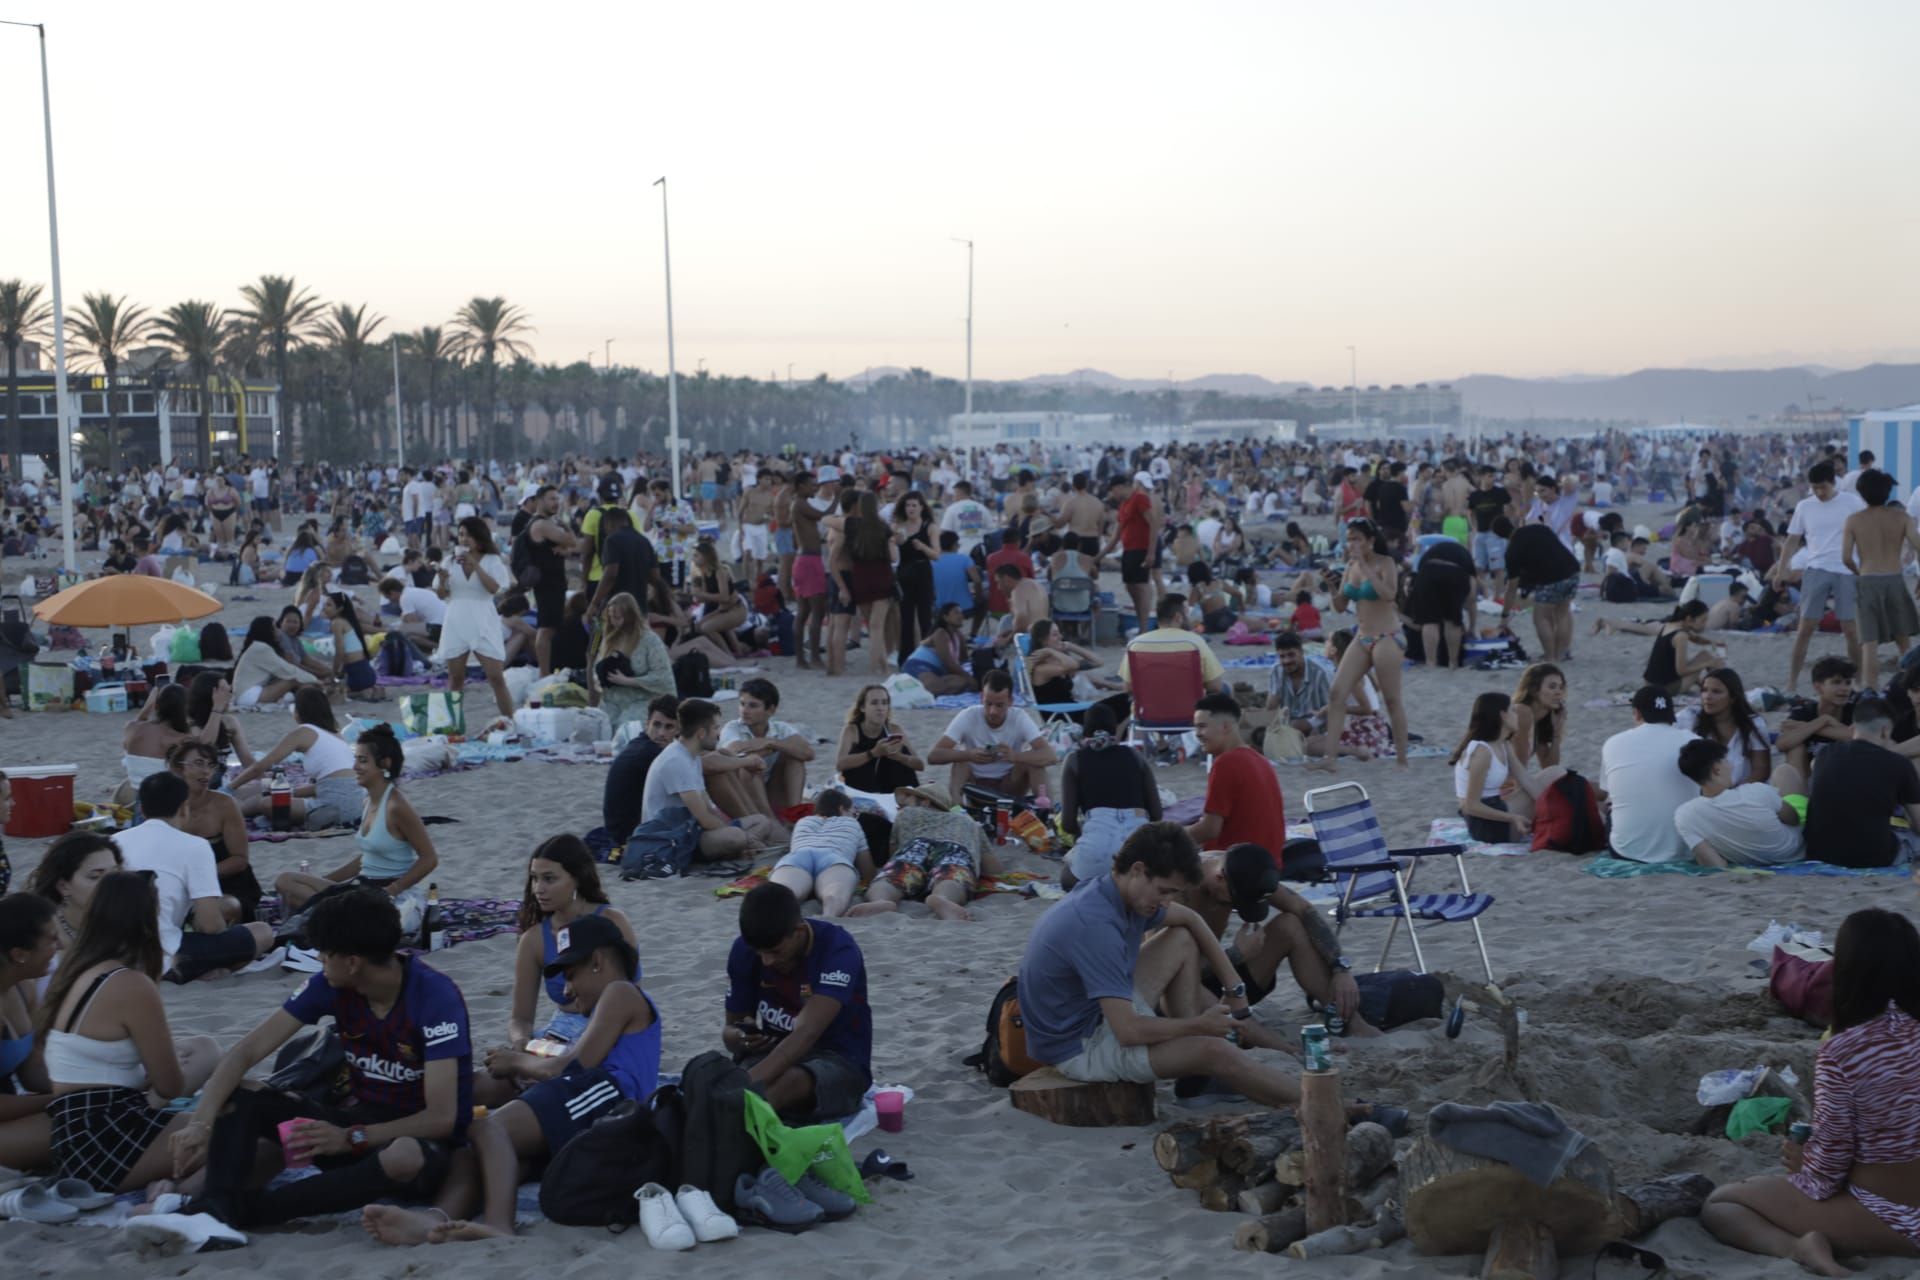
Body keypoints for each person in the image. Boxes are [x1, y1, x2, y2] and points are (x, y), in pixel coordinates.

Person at [173, 888, 472, 1228]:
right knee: (245, 1095)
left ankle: (249, 1212)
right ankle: (217, 1207)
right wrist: (200, 1123)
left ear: (353, 962)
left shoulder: (435, 999)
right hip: (357, 1125)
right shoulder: (330, 985)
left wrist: (353, 1137)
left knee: (404, 1154)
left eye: (324, 954)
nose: (318, 961)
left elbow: (442, 1118)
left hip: (419, 1144)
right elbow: (245, 1052)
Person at [363, 912, 664, 1247]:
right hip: (590, 1096)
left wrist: (517, 1062)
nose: (566, 990)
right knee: (477, 1147)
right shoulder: (610, 1002)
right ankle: (434, 1221)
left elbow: (569, 1068)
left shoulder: (621, 992)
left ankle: (499, 1224)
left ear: (597, 961)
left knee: (486, 1126)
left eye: (571, 975)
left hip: (609, 1098)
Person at [1015, 822, 1302, 1103]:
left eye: (1174, 893)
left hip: (1093, 1015)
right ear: (1138, 870)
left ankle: (1192, 1069)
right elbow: (1128, 1032)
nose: (1166, 902)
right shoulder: (1095, 926)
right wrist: (1197, 1026)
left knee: (1181, 938)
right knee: (1217, 1052)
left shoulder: (1113, 889)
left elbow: (1190, 918)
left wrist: (1234, 986)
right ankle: (1324, 1106)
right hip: (1077, 1049)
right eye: (1164, 891)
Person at [1702, 908, 1920, 1275]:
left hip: (1894, 1213)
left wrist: (1806, 1163)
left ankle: (1799, 1249)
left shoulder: (1844, 1050)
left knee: (1723, 1205)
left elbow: (1829, 1169)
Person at [39, 872, 220, 1191]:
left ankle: (165, 1183)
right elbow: (171, 1085)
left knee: (202, 1048)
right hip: (107, 1138)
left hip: (72, 1136)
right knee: (243, 1136)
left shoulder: (77, 972)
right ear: (147, 920)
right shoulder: (130, 984)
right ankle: (171, 1195)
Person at [470, 834, 638, 1110]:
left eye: (550, 879)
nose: (538, 889)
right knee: (484, 1085)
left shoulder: (611, 923)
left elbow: (632, 994)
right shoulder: (535, 939)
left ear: (577, 878)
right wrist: (521, 1042)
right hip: (556, 1035)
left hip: (609, 1030)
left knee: (546, 1089)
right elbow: (520, 1018)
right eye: (534, 879)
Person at [1186, 843, 1379, 1036]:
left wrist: (1340, 967)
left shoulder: (1240, 867)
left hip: (1230, 981)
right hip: (1189, 991)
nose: (1232, 907)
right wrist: (1236, 955)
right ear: (1219, 878)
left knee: (1291, 925)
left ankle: (1349, 1020)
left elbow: (1304, 910)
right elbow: (1173, 970)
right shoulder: (1179, 889)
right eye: (1236, 902)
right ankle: (1254, 1033)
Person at [724, 882, 872, 1121]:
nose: (766, 962)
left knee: (788, 1082)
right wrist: (742, 1038)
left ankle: (739, 1126)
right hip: (771, 1052)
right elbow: (731, 1032)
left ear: (799, 932)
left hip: (838, 1060)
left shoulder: (838, 950)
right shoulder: (744, 951)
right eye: (759, 952)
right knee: (721, 1074)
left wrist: (745, 1084)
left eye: (774, 951)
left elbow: (806, 1033)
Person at [271, 726, 439, 931]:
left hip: (391, 896)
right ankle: (334, 917)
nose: (355, 767)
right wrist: (324, 882)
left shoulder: (397, 806)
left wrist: (393, 890)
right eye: (355, 759)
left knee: (353, 914)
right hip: (362, 888)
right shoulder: (368, 801)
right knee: (286, 882)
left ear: (384, 764)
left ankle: (334, 919)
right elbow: (366, 859)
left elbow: (429, 858)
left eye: (362, 760)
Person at [115, 773, 275, 982]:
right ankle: (205, 970)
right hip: (162, 954)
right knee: (262, 932)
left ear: (142, 810)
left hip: (115, 952)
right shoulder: (195, 846)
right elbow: (211, 925)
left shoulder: (113, 841)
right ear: (184, 808)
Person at [1313, 519, 1411, 769]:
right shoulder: (1350, 566)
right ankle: (1330, 758)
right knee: (1337, 693)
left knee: (1392, 699)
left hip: (1387, 636)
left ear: (1370, 541)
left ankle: (1402, 758)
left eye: (1357, 539)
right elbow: (1340, 607)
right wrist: (1333, 585)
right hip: (1362, 635)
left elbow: (1388, 594)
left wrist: (1366, 568)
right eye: (1349, 539)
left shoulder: (1385, 563)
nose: (1352, 544)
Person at [638, 698, 782, 861]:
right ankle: (743, 846)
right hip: (674, 839)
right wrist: (739, 835)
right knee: (735, 837)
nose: (718, 734)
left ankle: (742, 848)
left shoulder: (691, 756)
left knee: (761, 822)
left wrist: (732, 831)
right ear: (701, 733)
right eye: (715, 728)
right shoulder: (676, 761)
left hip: (692, 831)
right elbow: (704, 819)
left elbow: (709, 809)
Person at [851, 783, 1002, 921]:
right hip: (956, 847)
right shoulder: (968, 822)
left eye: (910, 797)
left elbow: (893, 854)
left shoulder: (907, 814)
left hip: (915, 846)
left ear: (925, 802)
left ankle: (881, 901)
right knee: (951, 876)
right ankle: (942, 898)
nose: (903, 803)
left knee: (893, 877)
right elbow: (993, 869)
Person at [1776, 461, 1866, 692]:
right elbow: (1792, 540)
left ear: (1833, 482)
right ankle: (1792, 681)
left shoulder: (1852, 502)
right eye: (1814, 488)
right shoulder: (1805, 506)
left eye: (1823, 487)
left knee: (1850, 629)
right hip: (1816, 567)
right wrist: (1781, 569)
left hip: (1847, 568)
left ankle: (1858, 680)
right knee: (1805, 628)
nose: (1818, 492)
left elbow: (1865, 535)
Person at [1803, 698, 1920, 868]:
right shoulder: (1898, 763)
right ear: (1885, 732)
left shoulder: (1824, 755)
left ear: (1852, 729)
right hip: (1875, 857)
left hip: (1819, 853)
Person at [229, 685, 367, 830]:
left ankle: (231, 810)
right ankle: (323, 816)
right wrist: (291, 792)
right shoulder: (337, 735)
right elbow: (332, 784)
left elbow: (261, 767)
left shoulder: (303, 732)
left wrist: (230, 787)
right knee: (268, 793)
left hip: (331, 801)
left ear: (298, 712)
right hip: (356, 803)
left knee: (264, 802)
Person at [1059, 704, 1160, 890]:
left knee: (1068, 879)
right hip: (1138, 845)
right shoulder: (1135, 756)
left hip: (1098, 846)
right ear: (1115, 730)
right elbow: (1157, 813)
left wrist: (1081, 835)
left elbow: (1067, 823)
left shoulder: (1074, 761)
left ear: (1084, 732)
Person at [1600, 686, 1705, 864]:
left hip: (1627, 852)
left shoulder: (1613, 743)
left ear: (1636, 714)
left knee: (1612, 807)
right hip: (1690, 849)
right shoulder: (1694, 742)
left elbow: (1608, 793)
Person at [1450, 692, 1569, 843]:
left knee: (1555, 774)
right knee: (1554, 775)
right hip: (1485, 825)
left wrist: (1554, 806)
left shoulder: (1503, 744)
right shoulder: (1482, 753)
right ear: (1503, 715)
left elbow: (1526, 780)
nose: (1517, 715)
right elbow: (1470, 806)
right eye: (1512, 710)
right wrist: (1513, 818)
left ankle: (1564, 816)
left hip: (1499, 805)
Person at [168, 741, 262, 925]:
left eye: (211, 765)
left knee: (226, 908)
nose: (206, 771)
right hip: (177, 886)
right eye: (198, 763)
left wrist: (198, 877)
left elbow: (239, 860)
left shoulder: (225, 805)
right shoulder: (167, 806)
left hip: (225, 884)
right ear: (179, 769)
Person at [1842, 469, 1920, 690]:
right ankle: (1912, 686)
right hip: (1894, 579)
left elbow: (1846, 557)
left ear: (1861, 492)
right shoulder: (1901, 517)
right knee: (1904, 640)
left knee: (1870, 644)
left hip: (1868, 579)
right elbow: (1918, 545)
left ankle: (1871, 691)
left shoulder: (1854, 520)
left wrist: (1858, 571)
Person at [1672, 739, 1805, 868]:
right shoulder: (1756, 791)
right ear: (1717, 770)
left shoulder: (1685, 816)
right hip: (1793, 853)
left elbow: (1714, 864)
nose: (1731, 766)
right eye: (1727, 761)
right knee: (1785, 772)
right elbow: (1793, 819)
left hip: (1748, 861)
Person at [927, 670, 1058, 800]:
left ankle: (1047, 812)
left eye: (999, 705)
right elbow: (933, 756)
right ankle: (957, 810)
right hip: (975, 786)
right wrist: (969, 754)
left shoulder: (1019, 717)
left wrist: (1015, 756)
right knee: (960, 760)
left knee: (1034, 761)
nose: (993, 711)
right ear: (981, 698)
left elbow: (1050, 756)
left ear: (1011, 701)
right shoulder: (968, 715)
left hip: (1009, 784)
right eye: (988, 704)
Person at [431, 516, 514, 718]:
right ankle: (451, 725)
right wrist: (442, 581)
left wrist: (475, 565)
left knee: (495, 677)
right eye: (460, 534)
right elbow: (442, 595)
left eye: (468, 534)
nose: (464, 539)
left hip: (483, 617)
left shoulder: (492, 560)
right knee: (455, 677)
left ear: (479, 537)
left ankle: (511, 721)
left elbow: (495, 588)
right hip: (457, 617)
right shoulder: (449, 562)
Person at [1185, 693, 1288, 857]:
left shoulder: (1226, 763)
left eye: (1202, 726)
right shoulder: (1260, 760)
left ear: (1225, 727)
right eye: (1196, 727)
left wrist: (1169, 838)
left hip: (1237, 868)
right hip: (1268, 862)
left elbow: (1210, 829)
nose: (1197, 734)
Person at [0, 892, 58, 1171]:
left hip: (12, 1112)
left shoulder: (23, 988)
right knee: (82, 1125)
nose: (58, 946)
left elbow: (32, 1072)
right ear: (19, 954)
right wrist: (59, 1099)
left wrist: (92, 1085)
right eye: (50, 940)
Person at [716, 678, 815, 814]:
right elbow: (734, 751)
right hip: (740, 790)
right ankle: (769, 818)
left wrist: (772, 742)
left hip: (771, 789)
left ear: (770, 710)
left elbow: (808, 753)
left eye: (753, 706)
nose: (744, 710)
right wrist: (769, 749)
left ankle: (794, 812)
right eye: (742, 704)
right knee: (751, 763)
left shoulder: (780, 728)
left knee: (794, 757)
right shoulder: (732, 727)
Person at [768, 790, 866, 918]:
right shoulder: (852, 823)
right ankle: (828, 916)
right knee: (833, 894)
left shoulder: (802, 821)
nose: (854, 816)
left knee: (785, 894)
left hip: (798, 857)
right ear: (842, 809)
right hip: (834, 858)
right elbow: (867, 869)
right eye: (854, 813)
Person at [591, 591, 675, 730]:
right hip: (613, 699)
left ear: (629, 616)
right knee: (597, 727)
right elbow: (597, 666)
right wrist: (600, 678)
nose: (614, 622)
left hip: (644, 699)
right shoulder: (610, 639)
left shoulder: (649, 640)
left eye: (617, 618)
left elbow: (663, 677)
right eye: (611, 617)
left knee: (626, 728)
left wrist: (628, 680)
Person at [1596, 601, 1719, 696]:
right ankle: (1718, 688)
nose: (1705, 624)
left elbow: (1695, 639)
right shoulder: (1681, 636)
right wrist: (1708, 663)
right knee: (1706, 658)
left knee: (1703, 656)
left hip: (1649, 683)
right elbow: (1682, 670)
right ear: (1689, 619)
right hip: (1665, 688)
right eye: (1703, 621)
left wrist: (1711, 642)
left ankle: (1707, 685)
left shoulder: (1670, 625)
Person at [1503, 514, 1581, 663]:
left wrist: (1504, 616)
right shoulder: (1539, 528)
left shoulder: (1512, 550)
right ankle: (1562, 653)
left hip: (1552, 579)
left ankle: (1550, 656)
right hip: (1573, 570)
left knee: (1541, 617)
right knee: (1563, 613)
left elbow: (1511, 588)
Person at [602, 696, 679, 846]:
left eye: (669, 727)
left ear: (679, 730)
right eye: (656, 725)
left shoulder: (642, 744)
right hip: (631, 836)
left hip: (623, 830)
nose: (661, 733)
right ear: (647, 724)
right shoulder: (648, 753)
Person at [1119, 593, 1229, 696]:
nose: (1190, 618)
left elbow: (1128, 688)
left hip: (1147, 714)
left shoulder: (1136, 644)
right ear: (1178, 617)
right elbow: (1215, 687)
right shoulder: (1194, 642)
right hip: (1189, 712)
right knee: (1227, 688)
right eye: (1188, 613)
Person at [835, 683, 924, 797]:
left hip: (891, 788)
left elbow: (920, 765)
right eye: (874, 703)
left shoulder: (894, 729)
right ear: (862, 707)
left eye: (884, 703)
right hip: (860, 790)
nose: (880, 708)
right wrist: (873, 753)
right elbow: (840, 764)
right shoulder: (852, 731)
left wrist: (899, 757)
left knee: (899, 754)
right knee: (860, 757)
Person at [1688, 666, 1772, 785]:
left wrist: (1732, 794)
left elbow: (1761, 771)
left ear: (1733, 697)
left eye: (1716, 691)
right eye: (1704, 690)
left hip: (1745, 792)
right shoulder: (1692, 717)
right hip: (1706, 794)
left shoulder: (1753, 723)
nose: (1707, 696)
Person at [1100, 472, 1160, 636]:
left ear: (1119, 487)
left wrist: (1151, 552)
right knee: (1130, 586)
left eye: (1112, 491)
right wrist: (1099, 556)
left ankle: (1143, 628)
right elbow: (1116, 536)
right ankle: (1142, 625)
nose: (1112, 495)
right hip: (1128, 550)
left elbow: (1153, 524)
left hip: (1141, 549)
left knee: (1142, 587)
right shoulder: (1123, 505)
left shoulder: (1139, 499)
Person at [1779, 657, 1858, 777]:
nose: (1844, 688)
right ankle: (1799, 795)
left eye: (1848, 683)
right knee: (1795, 748)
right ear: (1818, 687)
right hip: (1809, 776)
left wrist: (1807, 727)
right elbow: (1782, 744)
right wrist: (1823, 721)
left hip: (1845, 777)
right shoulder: (1804, 712)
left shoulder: (1855, 710)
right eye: (1836, 682)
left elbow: (1860, 737)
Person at [1408, 535, 1477, 669]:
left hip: (1427, 571)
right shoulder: (1466, 557)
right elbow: (1472, 598)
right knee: (1451, 620)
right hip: (1454, 572)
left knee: (1429, 621)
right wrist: (1472, 627)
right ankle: (1453, 662)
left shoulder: (1433, 550)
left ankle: (1430, 662)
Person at [231, 614, 322, 707]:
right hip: (248, 696)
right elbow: (288, 670)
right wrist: (315, 680)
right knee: (293, 679)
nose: (279, 631)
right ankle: (318, 697)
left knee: (292, 679)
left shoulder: (258, 647)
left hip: (248, 694)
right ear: (267, 631)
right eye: (275, 628)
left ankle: (316, 695)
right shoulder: (261, 648)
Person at [902, 600, 977, 695]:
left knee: (962, 682)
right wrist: (969, 678)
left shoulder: (959, 636)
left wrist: (968, 677)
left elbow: (964, 661)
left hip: (938, 672)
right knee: (936, 686)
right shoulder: (940, 633)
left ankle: (933, 687)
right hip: (919, 665)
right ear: (945, 617)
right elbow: (949, 663)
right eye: (956, 612)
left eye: (961, 613)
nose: (961, 616)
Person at [1265, 630, 1331, 738]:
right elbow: (1271, 706)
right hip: (1287, 726)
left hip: (1316, 727)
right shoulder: (1276, 671)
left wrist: (1311, 723)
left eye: (1291, 655)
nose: (1286, 661)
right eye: (1282, 656)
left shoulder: (1320, 673)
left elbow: (1332, 709)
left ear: (1301, 652)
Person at [323, 592, 382, 701]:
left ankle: (360, 692)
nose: (324, 608)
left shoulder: (337, 623)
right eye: (325, 604)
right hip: (366, 672)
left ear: (340, 608)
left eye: (329, 605)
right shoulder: (347, 622)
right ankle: (368, 690)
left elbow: (340, 653)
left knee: (331, 693)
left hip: (357, 674)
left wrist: (334, 674)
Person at [1510, 663, 1568, 769]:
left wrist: (1556, 733)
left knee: (1561, 775)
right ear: (1533, 690)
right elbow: (1519, 767)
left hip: (1510, 780)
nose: (1558, 692)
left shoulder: (1539, 722)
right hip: (1498, 783)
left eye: (1561, 687)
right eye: (1552, 687)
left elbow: (1549, 766)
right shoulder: (1522, 712)